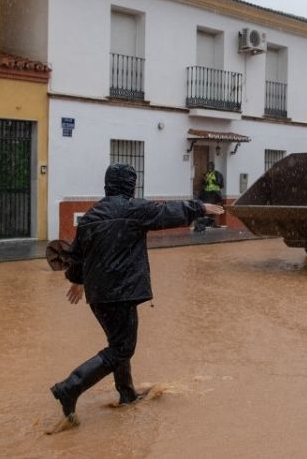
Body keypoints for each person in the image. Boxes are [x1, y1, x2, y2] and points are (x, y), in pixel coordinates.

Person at [49, 163, 224, 431]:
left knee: (118, 343)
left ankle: (126, 393)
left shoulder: (91, 216)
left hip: (99, 296)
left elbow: (78, 255)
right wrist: (199, 207)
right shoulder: (133, 209)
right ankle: (70, 387)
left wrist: (76, 281)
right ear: (130, 185)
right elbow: (167, 212)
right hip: (122, 292)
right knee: (122, 348)